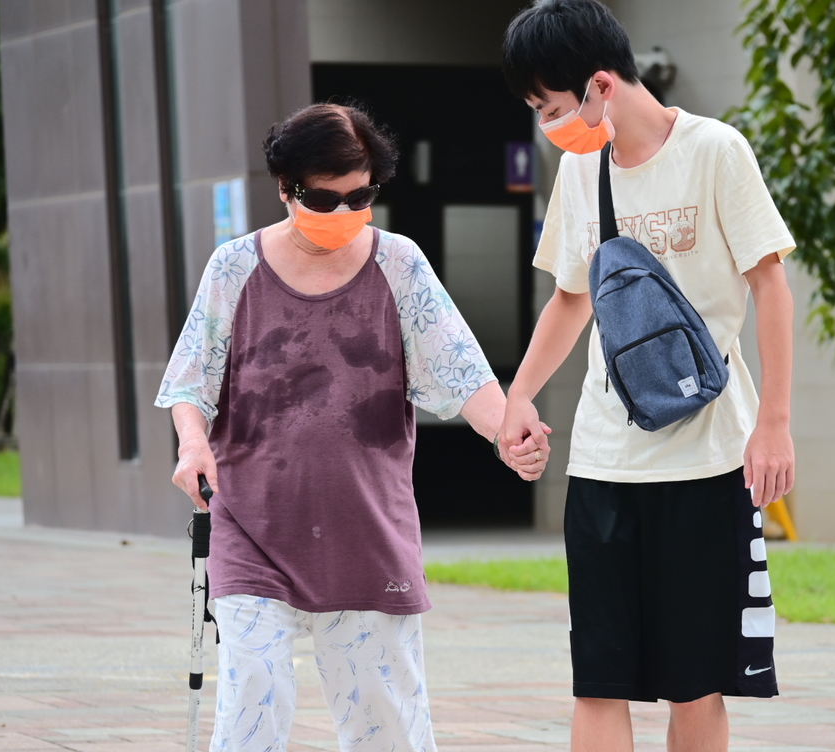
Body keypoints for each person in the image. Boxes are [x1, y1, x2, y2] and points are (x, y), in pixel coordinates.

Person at [155, 102, 549, 752]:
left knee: (385, 725)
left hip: (368, 535)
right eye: (323, 198)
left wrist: (511, 434)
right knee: (253, 695)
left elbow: (462, 374)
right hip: (252, 531)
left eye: (359, 196)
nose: (343, 213)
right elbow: (190, 382)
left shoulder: (399, 265)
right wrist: (193, 442)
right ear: (285, 188)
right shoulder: (234, 268)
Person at [497, 0, 797, 752]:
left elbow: (770, 287)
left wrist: (776, 424)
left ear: (600, 85)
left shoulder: (715, 151)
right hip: (604, 464)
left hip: (706, 461)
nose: (546, 122)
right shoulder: (580, 169)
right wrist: (519, 395)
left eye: (550, 103)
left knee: (694, 683)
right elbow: (571, 299)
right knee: (600, 677)